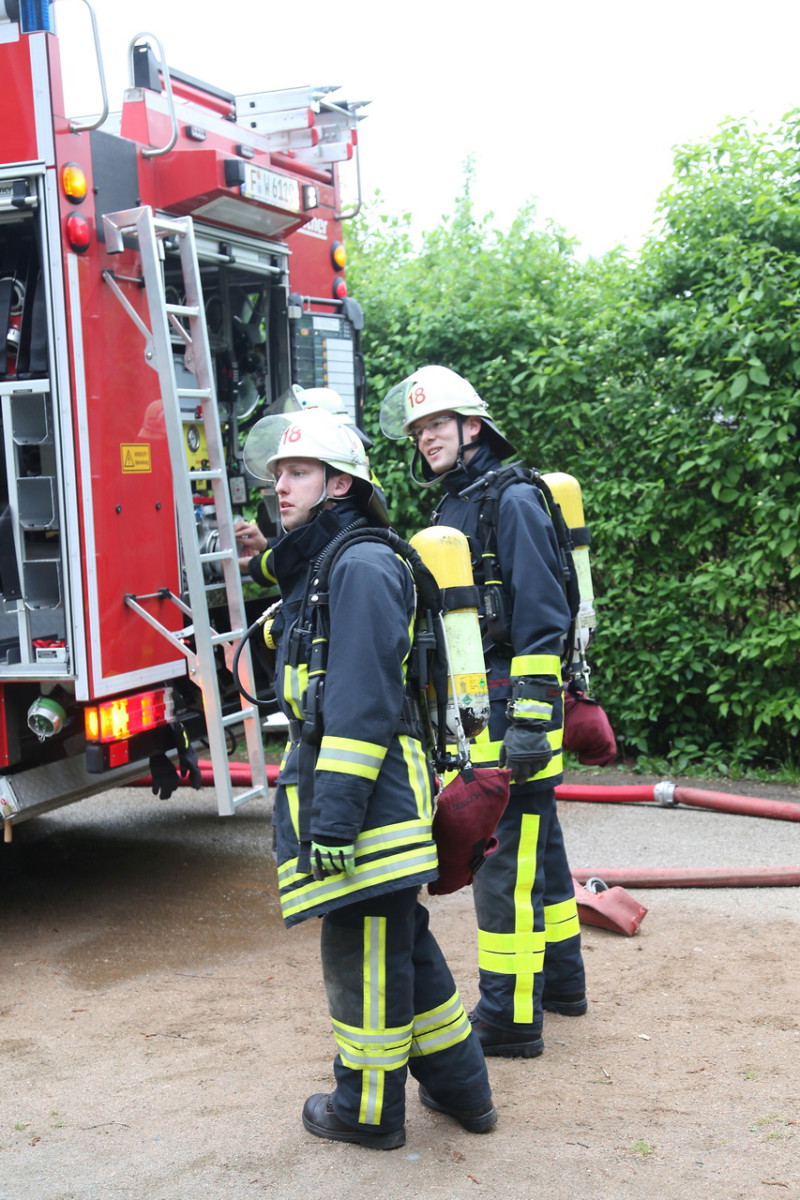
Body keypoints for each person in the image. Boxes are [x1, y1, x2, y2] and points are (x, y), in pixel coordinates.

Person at [241, 405, 496, 1149]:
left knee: (365, 956)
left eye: (298, 472)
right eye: (278, 473)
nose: (280, 486)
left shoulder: (360, 565)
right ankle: (464, 1088)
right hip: (366, 800)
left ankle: (368, 1109)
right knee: (403, 942)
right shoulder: (335, 563)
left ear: (340, 483)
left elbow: (361, 703)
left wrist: (334, 819)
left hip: (368, 805)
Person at [380, 364, 587, 1059]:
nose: (425, 438)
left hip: (510, 711)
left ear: (473, 425)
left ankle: (509, 1015)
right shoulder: (458, 503)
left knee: (502, 864)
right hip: (489, 705)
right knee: (541, 851)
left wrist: (529, 719)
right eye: (417, 430)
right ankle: (562, 983)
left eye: (436, 424)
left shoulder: (513, 499)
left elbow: (544, 613)